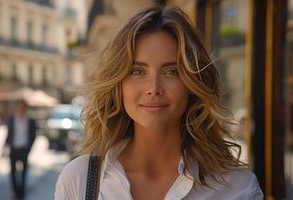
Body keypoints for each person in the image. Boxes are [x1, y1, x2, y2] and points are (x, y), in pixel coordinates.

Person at [55, 6, 263, 200]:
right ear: (119, 84)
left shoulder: (238, 188)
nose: (153, 88)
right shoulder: (80, 180)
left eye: (171, 72)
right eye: (137, 71)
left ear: (192, 84)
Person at [3, 99, 36, 200]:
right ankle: (15, 192)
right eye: (18, 107)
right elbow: (8, 134)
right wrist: (4, 147)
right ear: (16, 108)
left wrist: (29, 147)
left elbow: (33, 135)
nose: (20, 109)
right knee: (13, 172)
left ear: (25, 108)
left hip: (24, 149)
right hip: (13, 149)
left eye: (22, 107)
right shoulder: (12, 119)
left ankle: (22, 192)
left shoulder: (30, 120)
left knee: (24, 172)